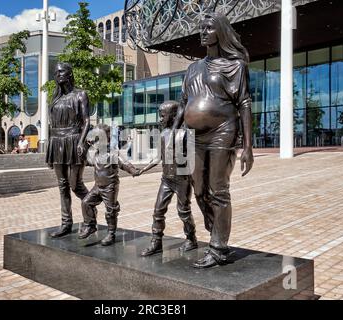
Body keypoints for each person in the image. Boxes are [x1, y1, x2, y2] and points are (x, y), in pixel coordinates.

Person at [170, 12, 254, 268]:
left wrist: (248, 146)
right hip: (195, 136)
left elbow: (244, 103)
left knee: (218, 189)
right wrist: (175, 131)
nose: (203, 32)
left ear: (220, 32)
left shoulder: (235, 65)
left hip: (223, 131)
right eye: (201, 28)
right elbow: (184, 103)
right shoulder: (192, 68)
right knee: (199, 189)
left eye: (208, 28)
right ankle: (215, 225)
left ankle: (218, 248)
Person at [138, 101, 198, 256]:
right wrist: (142, 169)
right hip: (166, 179)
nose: (160, 119)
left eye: (162, 116)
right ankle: (156, 242)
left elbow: (193, 159)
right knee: (158, 211)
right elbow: (159, 157)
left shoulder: (186, 133)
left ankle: (191, 239)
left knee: (183, 211)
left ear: (174, 115)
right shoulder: (163, 133)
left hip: (182, 180)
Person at [46, 62, 95, 238]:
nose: (58, 74)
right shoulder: (55, 98)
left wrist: (82, 141)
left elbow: (87, 120)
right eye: (56, 72)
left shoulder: (80, 94)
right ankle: (66, 223)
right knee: (62, 186)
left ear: (69, 74)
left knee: (75, 185)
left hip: (74, 140)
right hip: (57, 141)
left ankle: (90, 219)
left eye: (61, 71)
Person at [78, 124, 139, 246]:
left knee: (110, 210)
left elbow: (124, 163)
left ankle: (111, 233)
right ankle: (90, 225)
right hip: (98, 186)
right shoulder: (95, 154)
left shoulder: (113, 153)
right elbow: (86, 160)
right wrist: (84, 145)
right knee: (86, 202)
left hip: (110, 187)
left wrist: (133, 170)